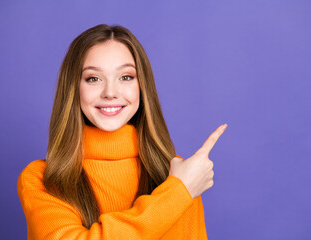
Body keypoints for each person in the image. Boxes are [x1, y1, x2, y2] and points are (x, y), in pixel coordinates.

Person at [17, 24, 228, 240]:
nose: (110, 92)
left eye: (126, 77)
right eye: (93, 78)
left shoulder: (178, 172)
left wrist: (180, 188)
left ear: (142, 86)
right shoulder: (41, 178)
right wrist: (177, 194)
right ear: (74, 88)